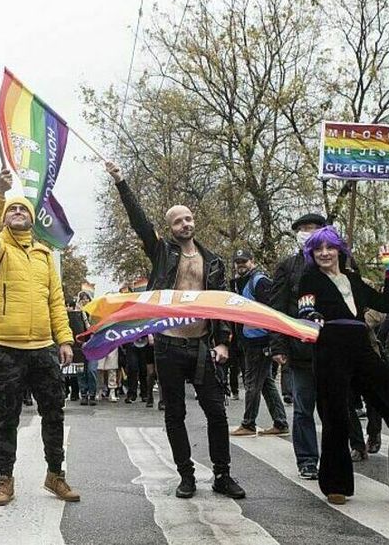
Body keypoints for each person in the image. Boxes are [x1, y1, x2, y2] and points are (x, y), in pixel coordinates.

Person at [105, 161, 244, 500]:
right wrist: (121, 181)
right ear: (170, 227)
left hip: (201, 346)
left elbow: (221, 303)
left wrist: (223, 341)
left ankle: (223, 474)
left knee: (216, 411)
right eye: (178, 220)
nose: (185, 223)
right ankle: (187, 475)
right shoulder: (162, 252)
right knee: (175, 413)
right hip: (168, 344)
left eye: (188, 218)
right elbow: (140, 223)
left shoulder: (212, 261)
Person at [295, 226, 389, 506]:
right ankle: (336, 484)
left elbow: (386, 303)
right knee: (336, 418)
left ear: (340, 250)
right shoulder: (310, 278)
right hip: (330, 349)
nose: (324, 253)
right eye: (318, 249)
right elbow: (305, 306)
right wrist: (312, 315)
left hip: (362, 348)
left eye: (329, 248)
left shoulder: (353, 280)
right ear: (311, 253)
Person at [0, 169, 80, 507]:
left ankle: (55, 475)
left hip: (43, 348)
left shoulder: (44, 255)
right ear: (5, 218)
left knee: (55, 412)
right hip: (7, 347)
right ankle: (5, 479)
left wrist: (64, 340)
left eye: (23, 210)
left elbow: (55, 300)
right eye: (13, 210)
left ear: (32, 219)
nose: (18, 213)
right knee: (6, 417)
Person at [269, 212, 325, 480]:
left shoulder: (338, 264)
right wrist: (278, 345)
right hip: (301, 349)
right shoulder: (288, 267)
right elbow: (277, 308)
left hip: (333, 349)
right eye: (303, 228)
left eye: (313, 228)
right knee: (303, 408)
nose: (307, 232)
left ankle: (348, 449)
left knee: (335, 407)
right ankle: (306, 459)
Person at [229, 249, 289, 437]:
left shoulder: (259, 281)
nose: (240, 265)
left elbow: (272, 311)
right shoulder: (243, 283)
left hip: (259, 340)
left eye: (244, 262)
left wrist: (273, 341)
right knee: (265, 384)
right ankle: (280, 422)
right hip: (251, 340)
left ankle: (248, 423)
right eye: (237, 262)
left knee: (252, 382)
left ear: (252, 262)